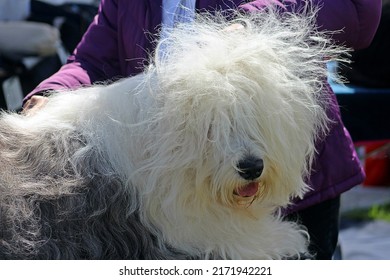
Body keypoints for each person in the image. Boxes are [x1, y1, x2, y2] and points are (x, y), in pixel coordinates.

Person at [22, 0, 382, 259]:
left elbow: (359, 10)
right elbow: (91, 60)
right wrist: (52, 95)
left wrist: (252, 22)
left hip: (295, 191)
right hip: (183, 201)